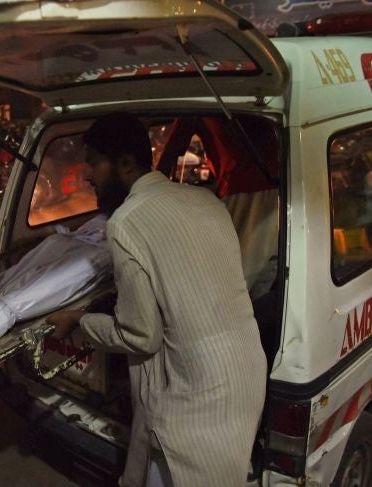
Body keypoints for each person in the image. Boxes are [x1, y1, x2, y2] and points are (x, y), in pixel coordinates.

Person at [46, 113, 267, 487]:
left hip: (197, 393)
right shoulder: (205, 198)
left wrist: (80, 320)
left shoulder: (126, 223)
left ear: (125, 163)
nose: (88, 175)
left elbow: (140, 335)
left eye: (95, 163)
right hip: (245, 372)